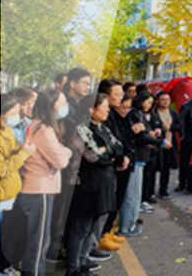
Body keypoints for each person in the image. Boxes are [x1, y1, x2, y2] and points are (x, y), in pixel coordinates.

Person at [65, 94, 127, 276]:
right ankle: (73, 268)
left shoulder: (103, 128)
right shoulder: (81, 129)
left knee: (92, 227)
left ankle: (83, 262)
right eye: (104, 107)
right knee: (80, 228)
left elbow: (119, 146)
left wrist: (107, 150)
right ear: (92, 109)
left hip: (103, 183)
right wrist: (109, 153)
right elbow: (93, 157)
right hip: (85, 185)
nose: (108, 110)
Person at [16, 89, 73, 276]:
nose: (65, 106)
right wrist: (67, 151)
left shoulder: (37, 125)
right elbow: (61, 161)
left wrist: (61, 150)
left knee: (38, 237)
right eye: (63, 102)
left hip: (37, 187)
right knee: (39, 240)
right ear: (54, 105)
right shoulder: (44, 130)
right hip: (39, 189)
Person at [119, 92, 168, 237]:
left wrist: (152, 134)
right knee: (132, 195)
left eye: (151, 102)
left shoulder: (140, 114)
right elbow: (140, 137)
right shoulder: (135, 114)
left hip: (140, 157)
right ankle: (127, 226)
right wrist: (160, 142)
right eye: (148, 102)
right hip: (135, 157)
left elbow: (144, 134)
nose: (149, 105)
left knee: (135, 194)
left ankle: (131, 222)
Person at [0, 94, 36, 276]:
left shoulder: (6, 131)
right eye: (13, 113)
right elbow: (1, 169)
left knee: (5, 236)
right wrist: (23, 154)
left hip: (8, 194)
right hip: (0, 195)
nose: (17, 116)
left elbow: (13, 152)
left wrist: (22, 149)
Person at [97, 80, 130, 249]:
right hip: (102, 170)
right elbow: (105, 146)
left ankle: (107, 231)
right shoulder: (100, 120)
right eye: (117, 94)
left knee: (114, 201)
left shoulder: (114, 115)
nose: (120, 98)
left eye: (121, 94)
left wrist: (122, 155)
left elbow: (117, 142)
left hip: (116, 165)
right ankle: (101, 236)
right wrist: (113, 153)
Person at [153, 91, 182, 199]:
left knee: (166, 168)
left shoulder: (173, 113)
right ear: (157, 101)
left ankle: (163, 190)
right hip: (156, 145)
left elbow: (179, 126)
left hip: (169, 144)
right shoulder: (154, 113)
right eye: (163, 99)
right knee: (153, 169)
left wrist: (171, 127)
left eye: (167, 100)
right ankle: (150, 191)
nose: (165, 102)